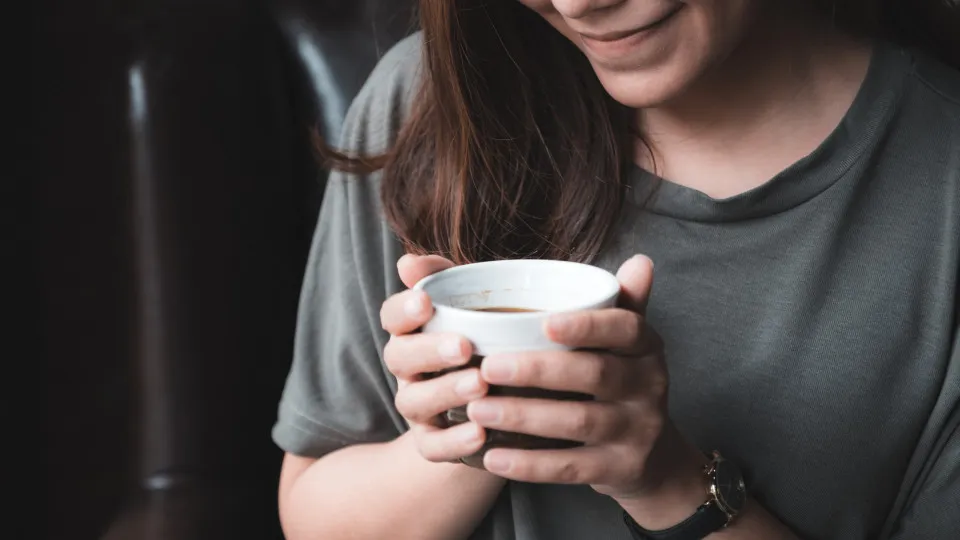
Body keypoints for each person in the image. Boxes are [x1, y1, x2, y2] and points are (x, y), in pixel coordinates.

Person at [272, 1, 960, 538]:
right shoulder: (436, 102)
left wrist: (664, 481)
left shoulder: (939, 191)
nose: (577, 4)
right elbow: (314, 511)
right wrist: (485, 420)